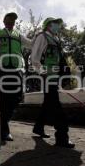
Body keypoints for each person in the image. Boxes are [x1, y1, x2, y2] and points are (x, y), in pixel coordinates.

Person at [30, 17, 75, 148]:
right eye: (55, 23)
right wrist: (42, 73)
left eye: (58, 24)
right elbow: (34, 58)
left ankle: (38, 127)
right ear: (48, 25)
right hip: (47, 77)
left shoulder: (57, 40)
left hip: (55, 77)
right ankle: (62, 137)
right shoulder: (42, 37)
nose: (58, 26)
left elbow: (60, 60)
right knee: (56, 106)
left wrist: (65, 75)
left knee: (48, 104)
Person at [0, 12, 31, 142]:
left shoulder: (18, 35)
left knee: (17, 96)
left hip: (16, 69)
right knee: (1, 98)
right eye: (9, 18)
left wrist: (41, 36)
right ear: (4, 21)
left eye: (13, 19)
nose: (11, 21)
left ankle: (4, 122)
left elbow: (31, 44)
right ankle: (4, 129)